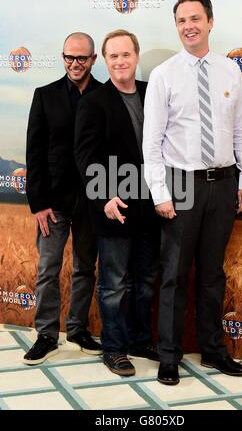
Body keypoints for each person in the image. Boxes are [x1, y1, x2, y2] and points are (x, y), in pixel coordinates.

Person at [143, 0, 242, 385]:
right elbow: (151, 141)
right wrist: (160, 192)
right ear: (176, 26)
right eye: (181, 20)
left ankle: (213, 351)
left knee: (212, 274)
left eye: (195, 18)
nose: (188, 25)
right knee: (173, 274)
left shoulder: (230, 71)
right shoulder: (164, 75)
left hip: (223, 186)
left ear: (210, 21)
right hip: (181, 185)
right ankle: (169, 357)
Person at [75, 30, 160, 377]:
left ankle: (140, 339)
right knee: (114, 283)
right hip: (114, 207)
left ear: (136, 57)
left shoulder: (151, 93)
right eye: (113, 56)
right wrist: (103, 197)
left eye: (126, 54)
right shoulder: (93, 102)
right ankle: (114, 348)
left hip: (151, 206)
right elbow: (84, 156)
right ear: (105, 60)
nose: (121, 61)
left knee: (146, 280)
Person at [24, 32, 103, 365]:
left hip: (91, 201)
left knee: (86, 268)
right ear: (63, 57)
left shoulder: (106, 95)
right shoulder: (45, 96)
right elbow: (35, 152)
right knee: (48, 268)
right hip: (53, 203)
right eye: (69, 57)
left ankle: (77, 329)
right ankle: (45, 334)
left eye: (81, 58)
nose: (74, 63)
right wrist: (38, 203)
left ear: (93, 59)